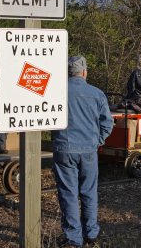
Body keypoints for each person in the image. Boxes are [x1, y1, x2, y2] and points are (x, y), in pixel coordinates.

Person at [52, 56, 114, 248]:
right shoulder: (96, 93)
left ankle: (73, 237)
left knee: (68, 193)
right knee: (89, 191)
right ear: (84, 72)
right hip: (88, 148)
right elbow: (107, 122)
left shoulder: (56, 92)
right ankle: (91, 233)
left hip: (64, 147)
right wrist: (98, 141)